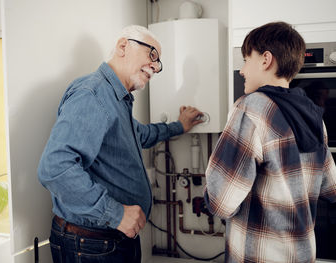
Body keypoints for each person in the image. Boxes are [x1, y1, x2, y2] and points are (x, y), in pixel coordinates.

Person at [38, 25, 203, 263]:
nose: (156, 67)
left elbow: (141, 134)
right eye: (152, 55)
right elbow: (55, 168)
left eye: (159, 63)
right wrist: (115, 214)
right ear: (123, 46)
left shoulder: (117, 101)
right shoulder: (93, 94)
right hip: (91, 246)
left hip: (109, 242)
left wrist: (180, 126)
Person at [204, 21, 336, 263]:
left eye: (246, 59)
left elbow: (221, 200)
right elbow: (331, 187)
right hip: (303, 254)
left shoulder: (251, 108)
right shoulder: (315, 117)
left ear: (266, 59)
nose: (242, 70)